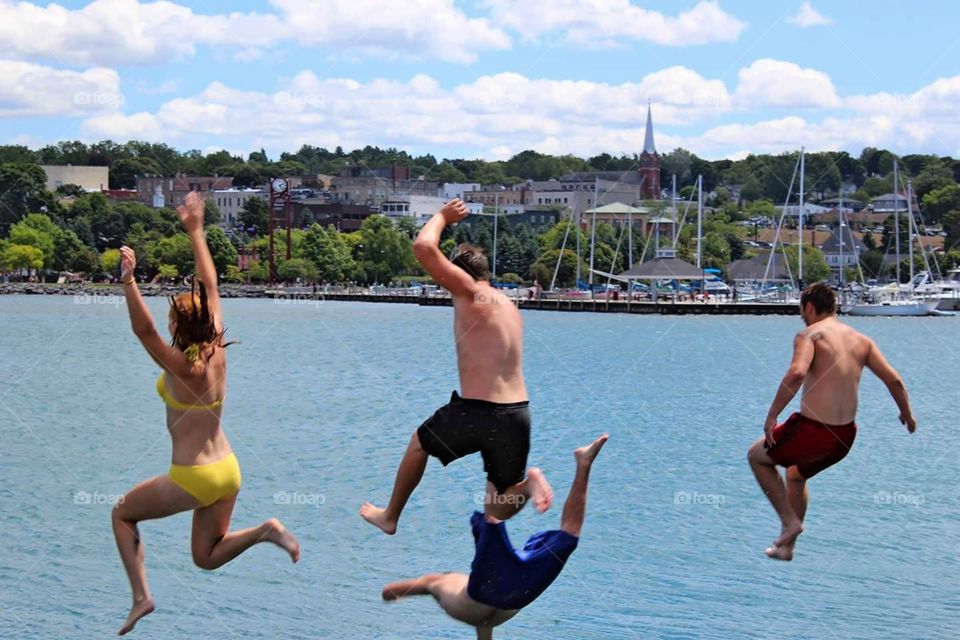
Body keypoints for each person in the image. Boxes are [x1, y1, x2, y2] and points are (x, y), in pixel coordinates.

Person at [112, 191, 299, 635]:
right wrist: (195, 231)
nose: (169, 322)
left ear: (180, 327)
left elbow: (144, 330)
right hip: (228, 471)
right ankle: (265, 530)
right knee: (205, 557)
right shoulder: (215, 348)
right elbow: (210, 283)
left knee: (121, 513)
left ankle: (141, 596)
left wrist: (128, 281)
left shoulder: (183, 366)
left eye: (173, 318)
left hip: (193, 476)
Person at [360, 199, 552, 535]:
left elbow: (422, 246)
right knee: (499, 507)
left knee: (419, 442)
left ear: (458, 273)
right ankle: (530, 482)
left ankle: (389, 516)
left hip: (480, 411)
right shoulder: (507, 304)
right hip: (517, 414)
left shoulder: (468, 291)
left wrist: (442, 217)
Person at [747, 283, 916, 561]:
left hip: (814, 430)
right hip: (844, 438)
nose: (802, 316)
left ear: (809, 308)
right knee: (796, 474)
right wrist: (906, 414)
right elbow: (894, 380)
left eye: (802, 310)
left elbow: (797, 372)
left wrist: (772, 415)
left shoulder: (810, 334)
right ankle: (786, 547)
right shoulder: (862, 340)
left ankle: (790, 522)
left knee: (756, 457)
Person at [382, 434, 608, 639]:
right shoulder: (470, 600)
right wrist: (393, 594)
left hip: (511, 592)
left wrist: (388, 598)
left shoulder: (434, 582)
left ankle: (514, 456)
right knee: (505, 522)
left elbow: (388, 592)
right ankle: (581, 463)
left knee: (564, 533)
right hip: (513, 592)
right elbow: (392, 591)